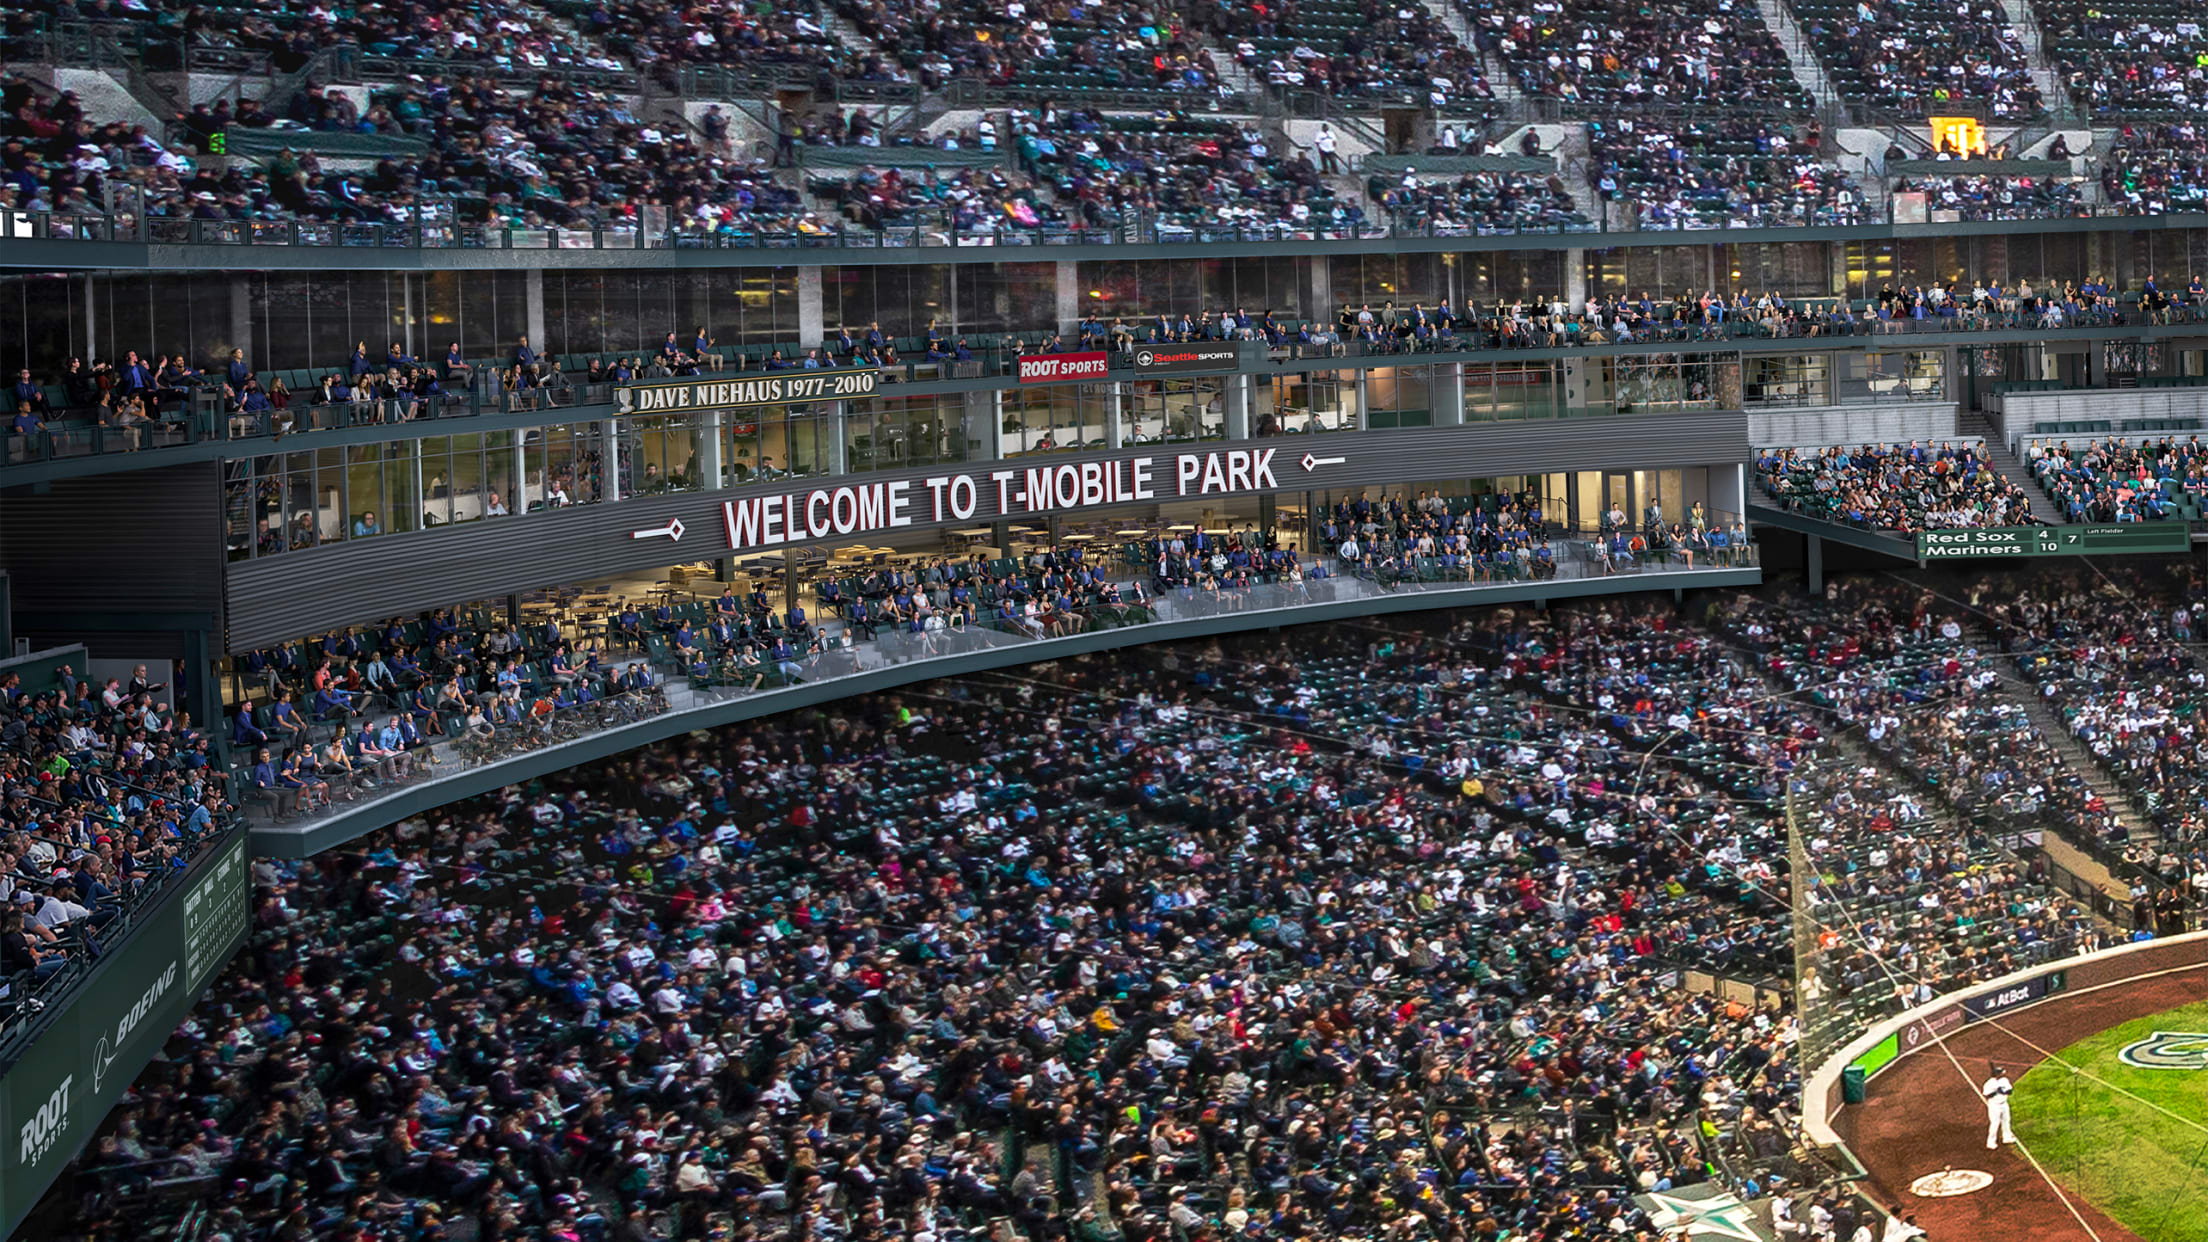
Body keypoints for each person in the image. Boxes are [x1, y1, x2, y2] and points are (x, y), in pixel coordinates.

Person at [1982, 1063, 2016, 1149]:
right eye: (2001, 1073)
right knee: (1995, 1123)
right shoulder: (1989, 1084)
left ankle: (2007, 1137)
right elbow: (1986, 1095)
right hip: (1994, 1106)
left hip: (2004, 1104)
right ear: (1997, 1074)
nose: (2003, 1073)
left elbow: (2010, 1091)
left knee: (2006, 1120)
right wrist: (1996, 1092)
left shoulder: (2004, 1080)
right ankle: (1990, 1142)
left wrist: (2003, 1091)